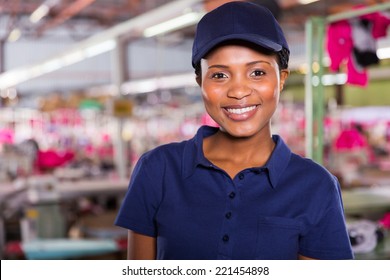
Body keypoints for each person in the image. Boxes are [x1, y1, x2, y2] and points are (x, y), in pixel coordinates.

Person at [115, 1, 354, 260]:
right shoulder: (157, 170)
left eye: (257, 72)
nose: (239, 91)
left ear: (282, 78)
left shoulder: (316, 186)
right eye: (219, 76)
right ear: (200, 82)